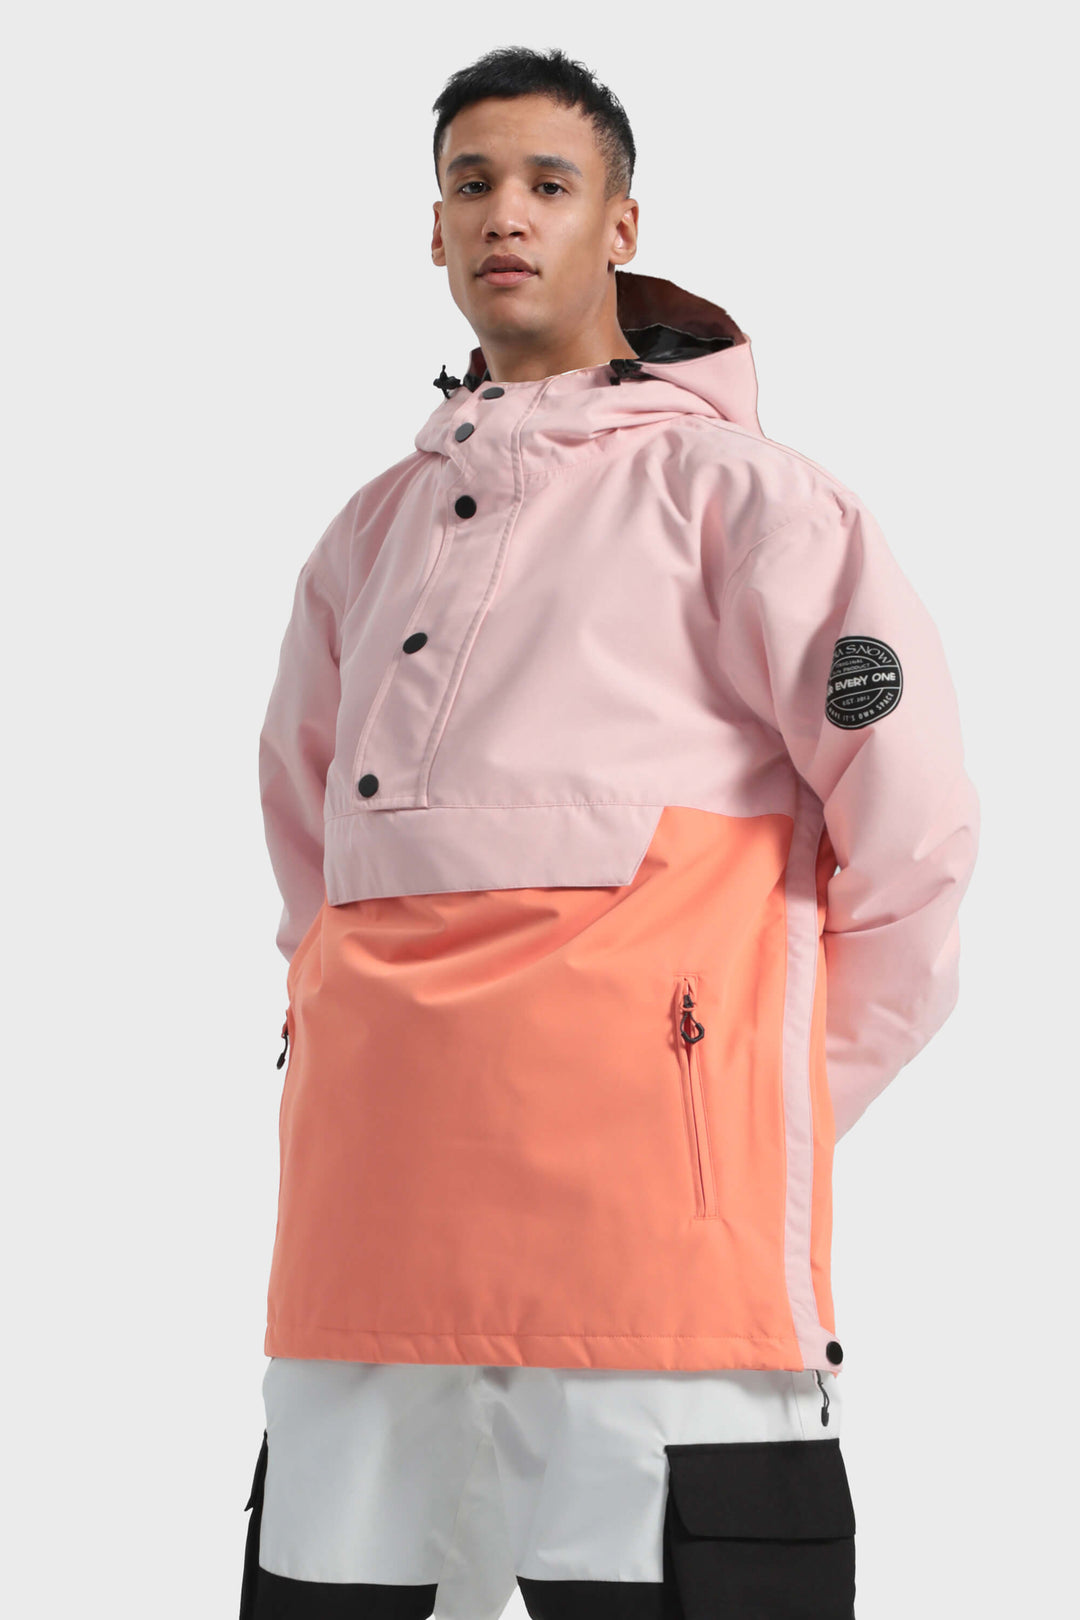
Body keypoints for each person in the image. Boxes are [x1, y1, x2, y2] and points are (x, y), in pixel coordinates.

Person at [239, 43, 980, 1620]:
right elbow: (313, 874)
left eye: (548, 183)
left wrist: (738, 1112)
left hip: (658, 1282)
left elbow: (913, 847)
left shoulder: (748, 503)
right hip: (364, 1247)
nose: (504, 214)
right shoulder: (365, 537)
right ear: (433, 230)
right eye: (471, 183)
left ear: (621, 224)